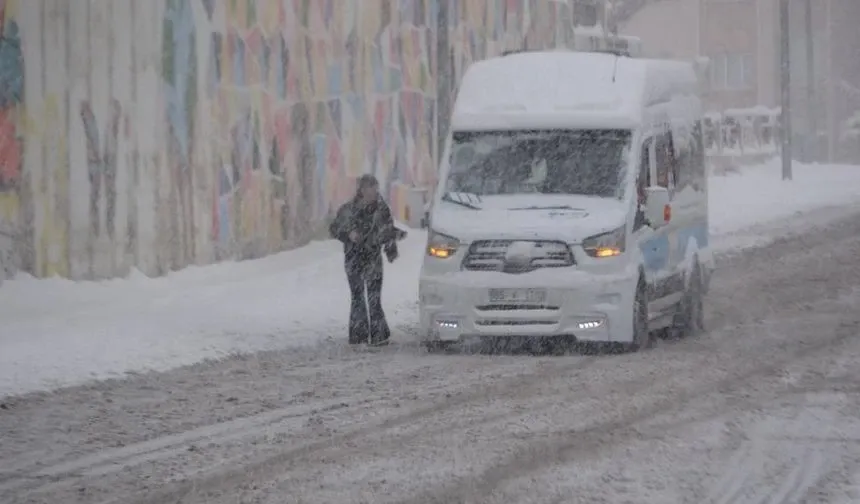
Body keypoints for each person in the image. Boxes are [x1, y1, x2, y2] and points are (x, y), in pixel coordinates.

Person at [329, 174, 406, 346]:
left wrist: (391, 247)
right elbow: (334, 228)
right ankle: (359, 334)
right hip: (353, 257)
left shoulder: (382, 209)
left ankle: (379, 335)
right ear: (362, 190)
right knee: (357, 297)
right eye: (370, 188)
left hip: (373, 257)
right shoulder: (348, 209)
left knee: (374, 297)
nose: (373, 191)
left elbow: (387, 229)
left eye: (375, 187)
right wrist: (349, 234)